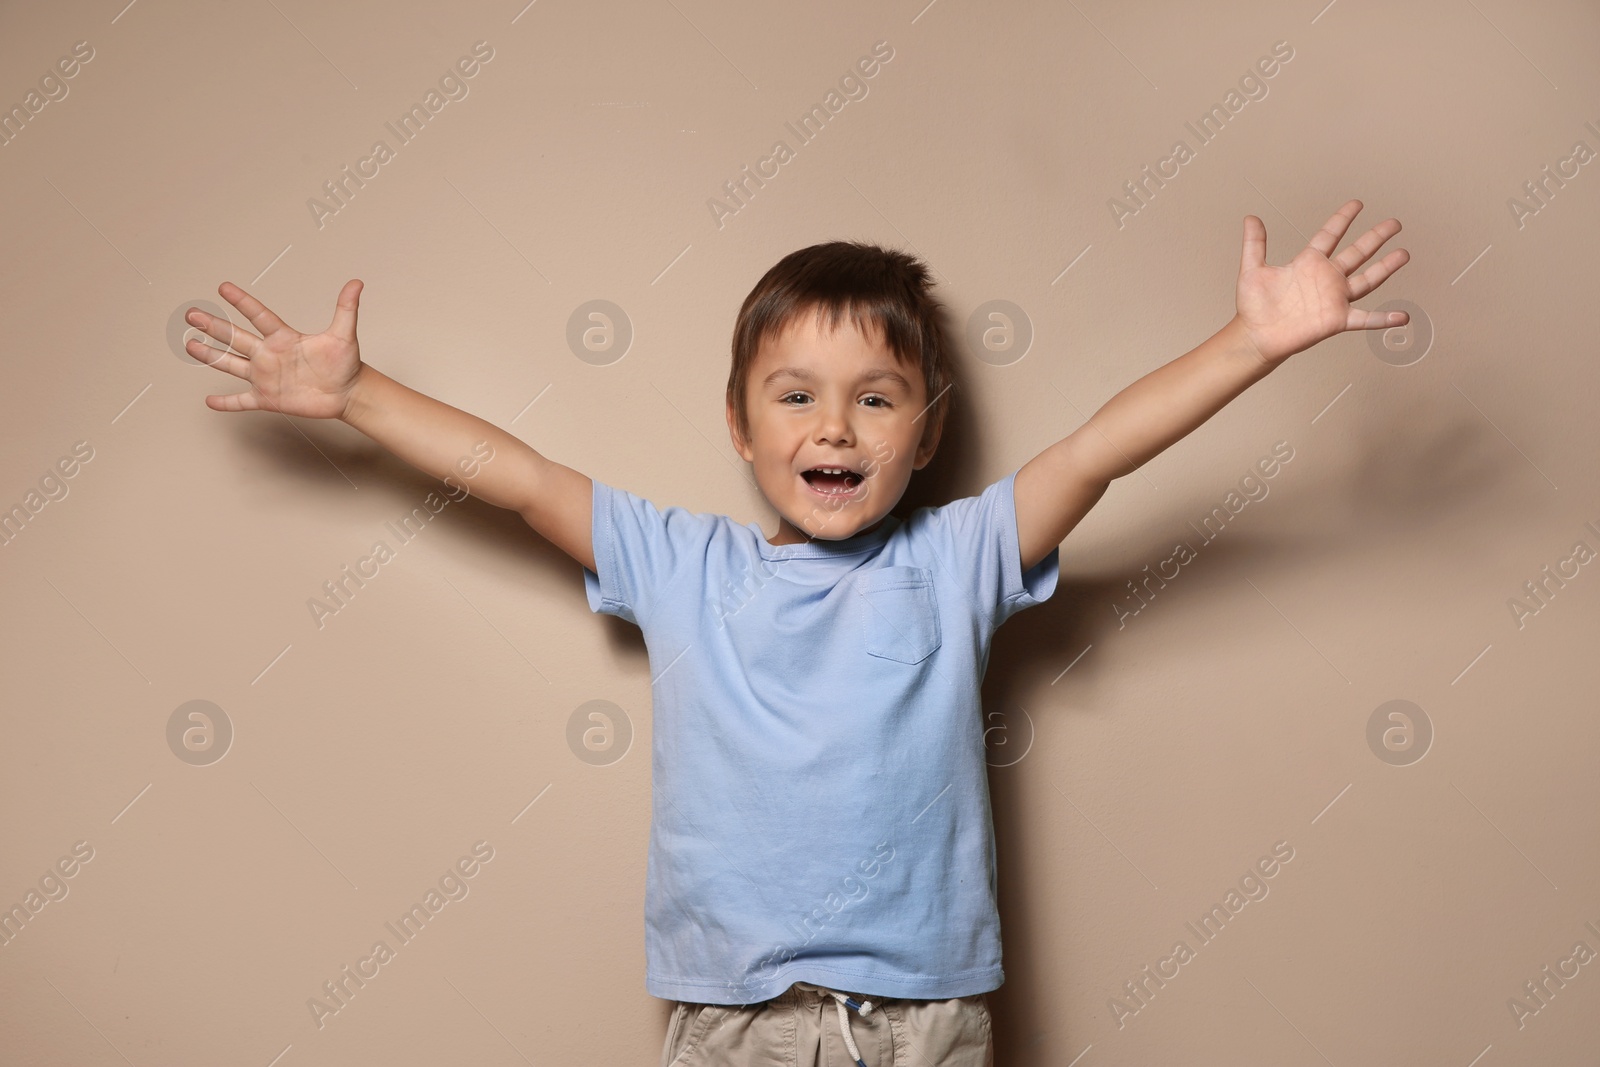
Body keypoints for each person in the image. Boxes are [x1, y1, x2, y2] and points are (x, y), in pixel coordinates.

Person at [183, 199, 1409, 1066]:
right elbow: (517, 477)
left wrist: (1252, 342)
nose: (836, 426)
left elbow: (1095, 450)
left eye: (875, 399)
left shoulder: (956, 556)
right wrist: (354, 396)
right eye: (798, 396)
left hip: (925, 1014)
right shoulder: (682, 563)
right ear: (741, 425)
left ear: (923, 435)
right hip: (733, 1017)